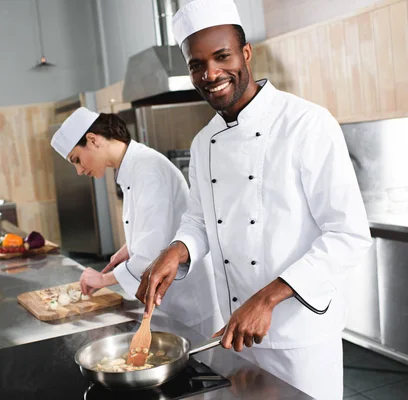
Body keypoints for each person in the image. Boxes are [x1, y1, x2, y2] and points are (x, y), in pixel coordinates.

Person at [134, 0, 372, 399]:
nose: (210, 74)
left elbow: (347, 234)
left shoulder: (307, 124)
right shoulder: (204, 141)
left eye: (221, 56)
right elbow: (199, 219)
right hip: (236, 332)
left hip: (300, 334)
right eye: (197, 64)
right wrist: (177, 250)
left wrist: (266, 298)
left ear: (246, 53)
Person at [50, 107, 222, 336]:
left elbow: (151, 255)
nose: (79, 170)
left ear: (92, 140)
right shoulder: (133, 166)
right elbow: (160, 226)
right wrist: (129, 247)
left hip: (188, 304)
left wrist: (102, 279)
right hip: (172, 300)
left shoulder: (147, 169)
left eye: (77, 160)